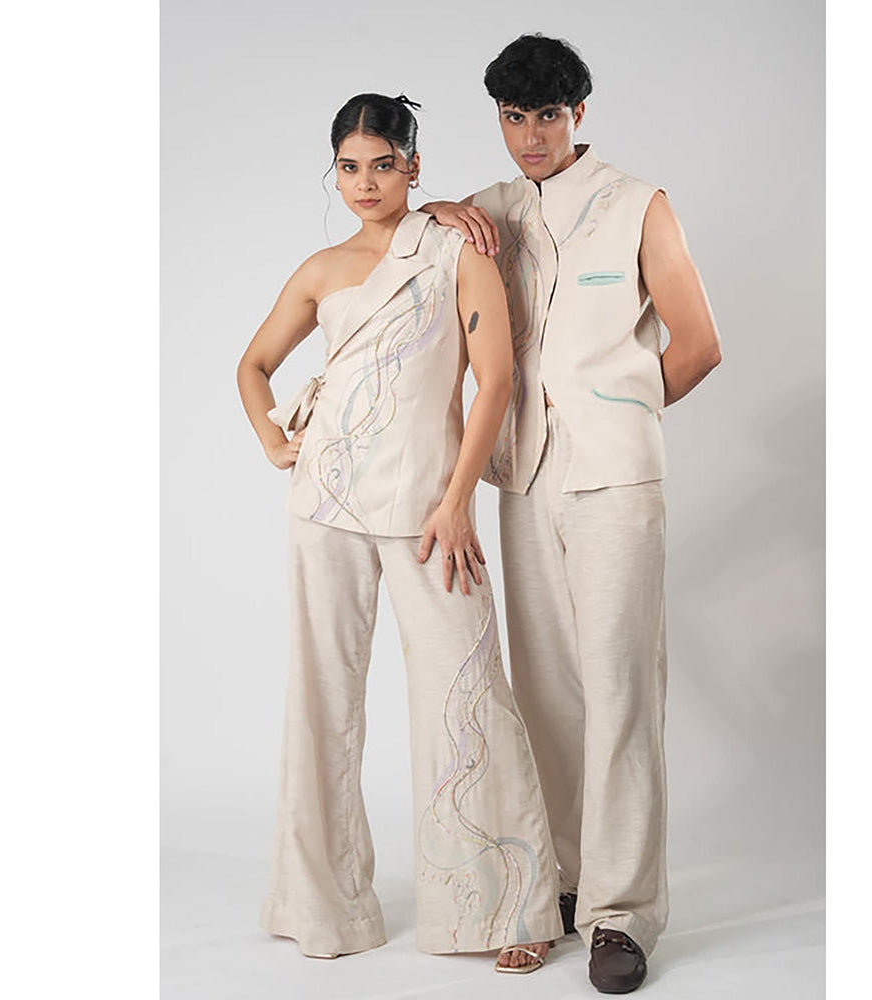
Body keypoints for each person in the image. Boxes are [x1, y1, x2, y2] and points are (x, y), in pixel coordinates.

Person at [421, 36, 723, 994]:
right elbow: (417, 250)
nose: (530, 137)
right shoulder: (491, 213)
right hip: (525, 479)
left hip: (614, 482)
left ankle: (622, 913)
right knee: (547, 692)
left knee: (619, 690)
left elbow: (698, 343)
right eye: (513, 118)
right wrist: (433, 208)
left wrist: (620, 411)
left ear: (578, 113)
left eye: (547, 116)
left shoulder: (638, 203)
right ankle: (563, 881)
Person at [236, 92, 563, 973]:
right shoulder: (321, 268)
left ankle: (506, 904)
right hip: (325, 503)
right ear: (335, 173)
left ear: (414, 167)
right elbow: (254, 365)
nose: (366, 183)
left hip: (427, 511)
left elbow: (495, 381)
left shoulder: (456, 249)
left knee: (467, 689)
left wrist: (457, 502)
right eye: (350, 167)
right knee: (322, 696)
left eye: (384, 164)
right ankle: (322, 904)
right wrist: (274, 439)